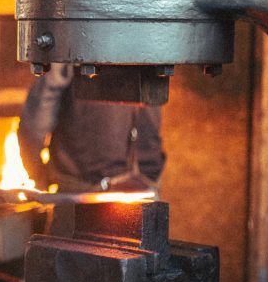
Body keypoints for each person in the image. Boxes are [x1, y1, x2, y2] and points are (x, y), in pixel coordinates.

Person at [17, 64, 165, 194]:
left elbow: (35, 122)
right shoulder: (152, 36)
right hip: (143, 187)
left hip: (80, 192)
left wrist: (37, 174)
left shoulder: (74, 35)